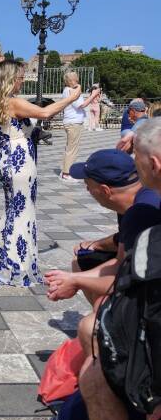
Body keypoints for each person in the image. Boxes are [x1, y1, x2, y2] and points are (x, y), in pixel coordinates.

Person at [42, 119, 161, 420]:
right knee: (89, 280)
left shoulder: (146, 210)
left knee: (94, 347)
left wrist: (76, 281)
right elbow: (124, 249)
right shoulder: (144, 200)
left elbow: (126, 284)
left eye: (88, 184)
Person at [45, 149, 161, 354]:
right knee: (81, 262)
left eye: (88, 186)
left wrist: (75, 281)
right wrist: (73, 278)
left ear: (105, 190)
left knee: (90, 326)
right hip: (144, 277)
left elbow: (126, 277)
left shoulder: (141, 213)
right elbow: (120, 259)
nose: (87, 191)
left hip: (152, 295)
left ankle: (113, 356)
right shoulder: (136, 199)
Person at [0, 60, 81, 286]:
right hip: (21, 162)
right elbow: (45, 113)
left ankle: (3, 261)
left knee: (11, 211)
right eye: (20, 78)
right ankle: (18, 269)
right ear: (10, 80)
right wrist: (72, 99)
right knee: (23, 213)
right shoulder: (13, 102)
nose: (23, 81)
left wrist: (12, 135)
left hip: (4, 160)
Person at [59, 70, 99, 182]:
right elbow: (81, 105)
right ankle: (66, 174)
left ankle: (64, 171)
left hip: (72, 122)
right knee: (72, 149)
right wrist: (93, 95)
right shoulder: (71, 91)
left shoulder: (69, 90)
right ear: (72, 80)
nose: (77, 80)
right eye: (76, 78)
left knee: (70, 148)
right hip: (73, 122)